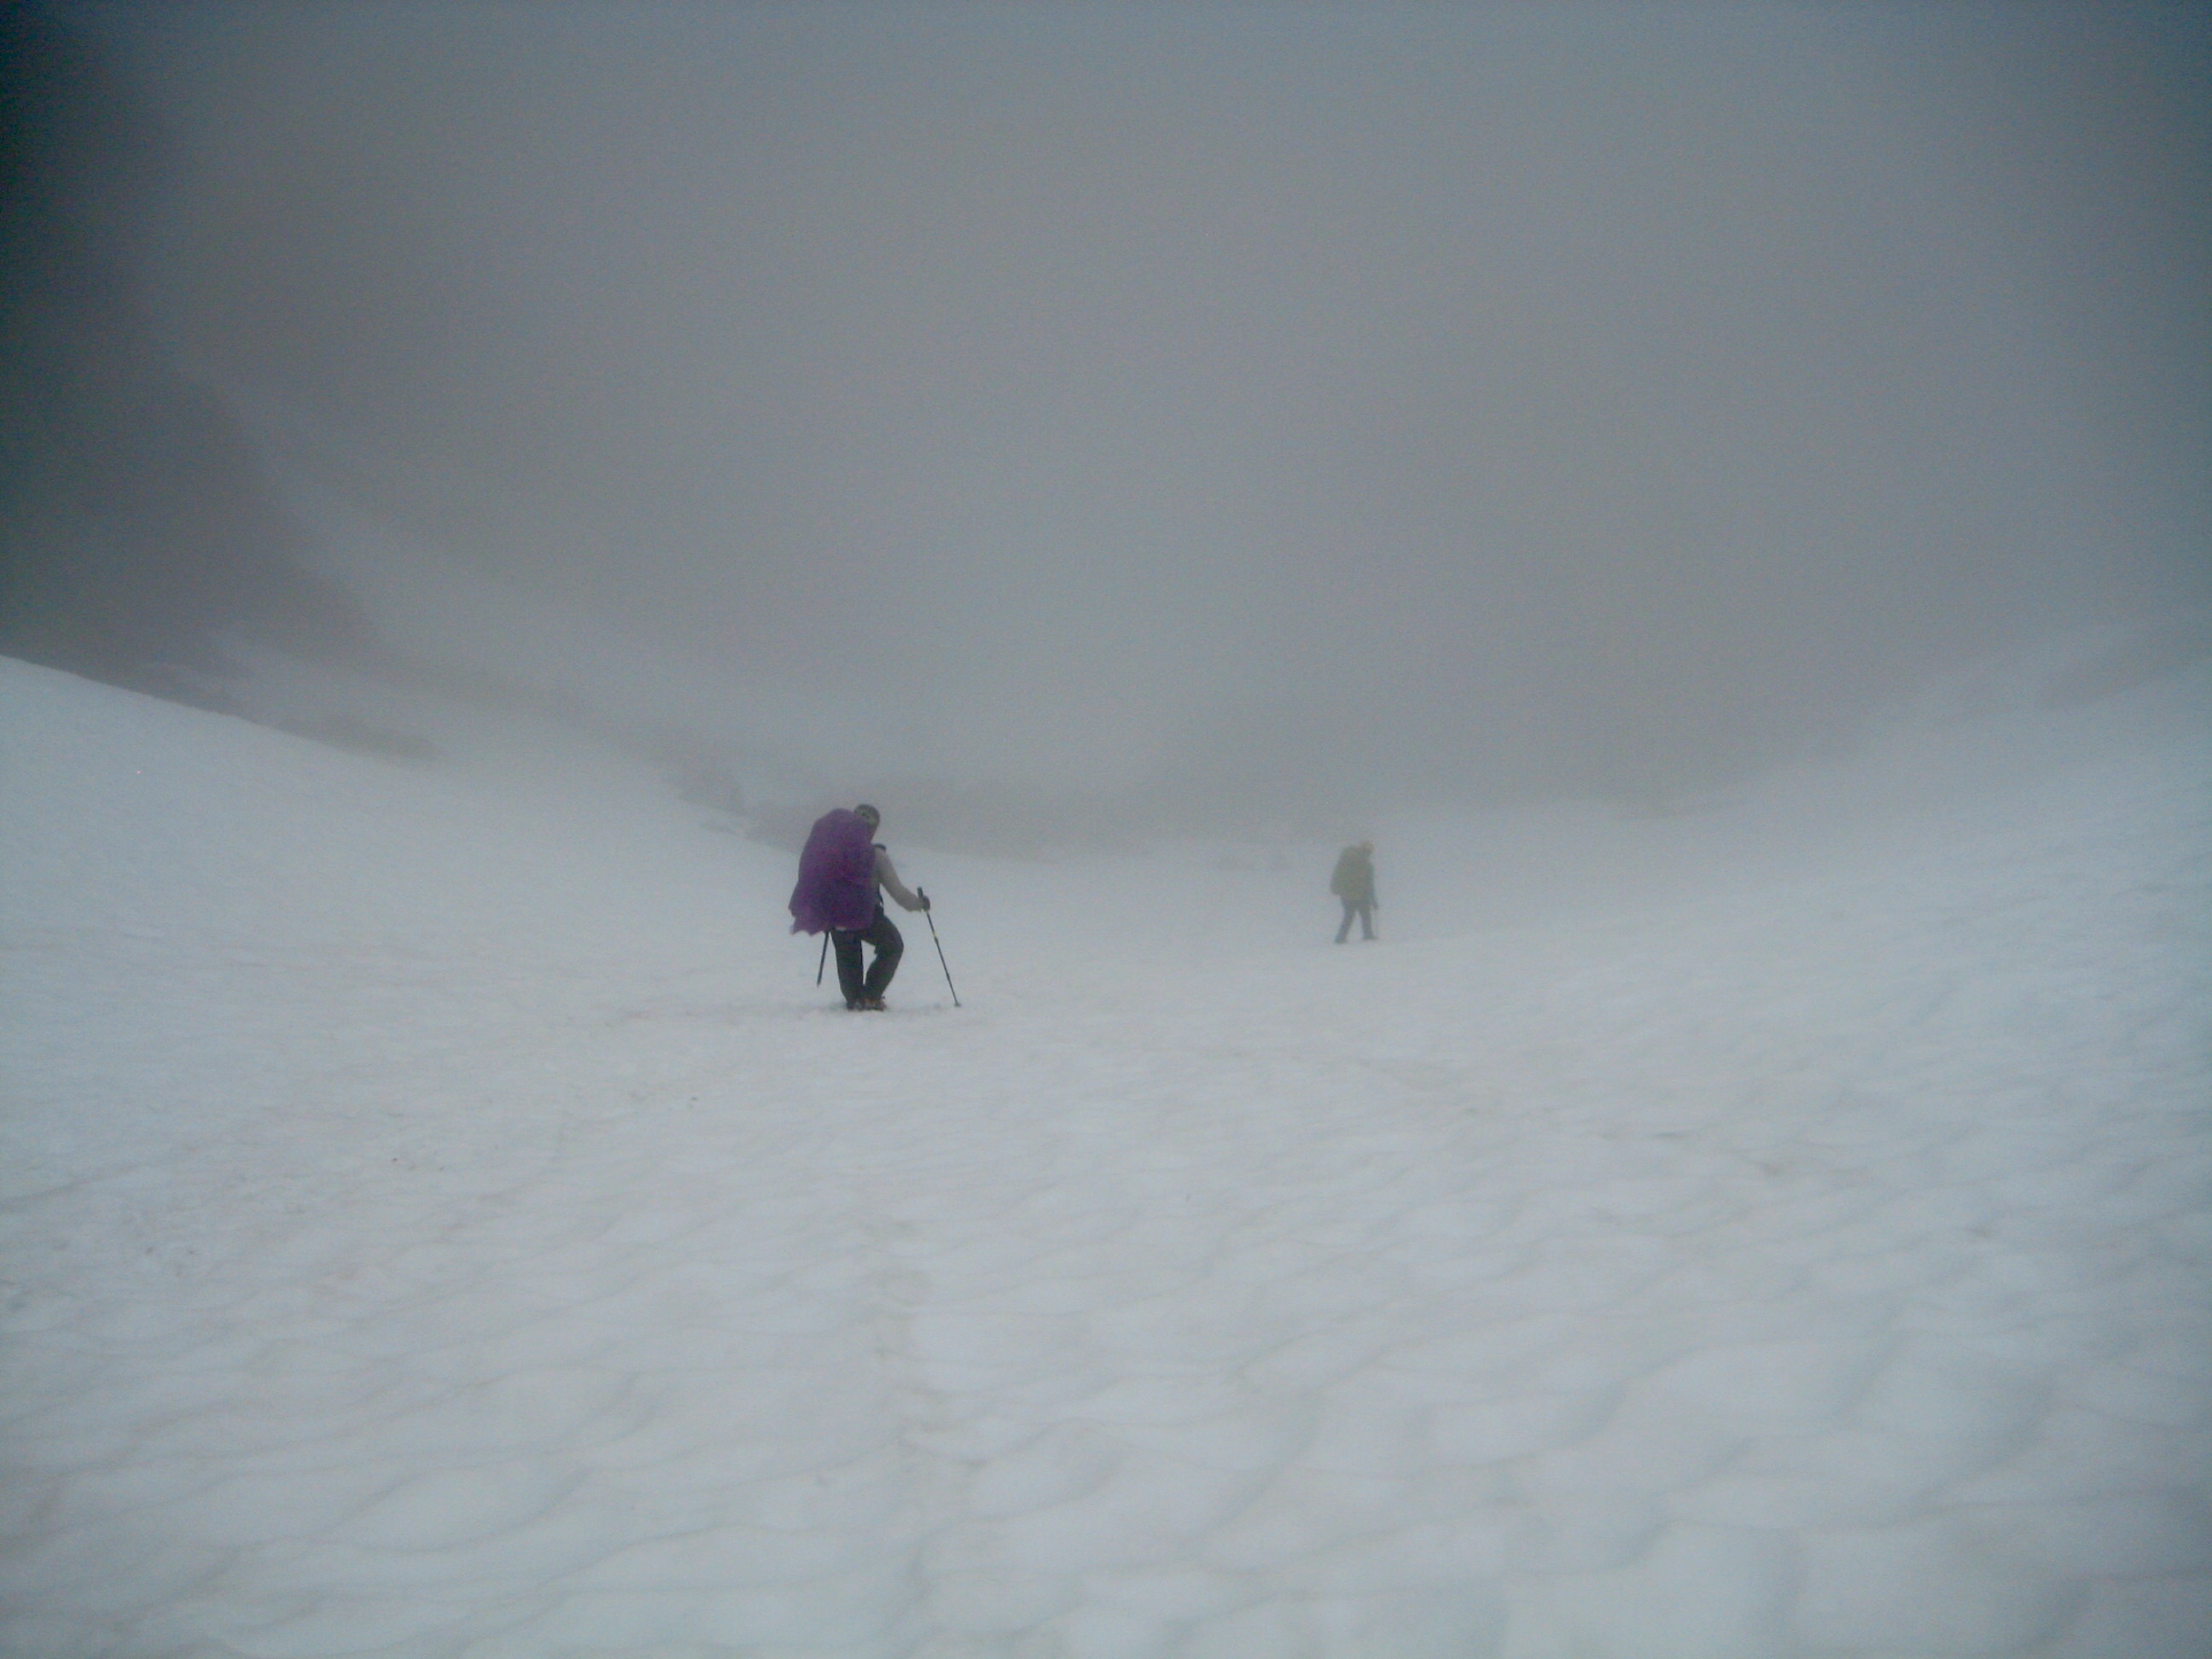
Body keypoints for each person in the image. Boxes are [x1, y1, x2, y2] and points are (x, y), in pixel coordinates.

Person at [830, 804, 929, 1010]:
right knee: (893, 946)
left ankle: (856, 998)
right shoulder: (876, 856)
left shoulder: (832, 852)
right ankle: (870, 996)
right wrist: (919, 904)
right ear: (873, 830)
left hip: (837, 918)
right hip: (867, 916)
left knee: (848, 959)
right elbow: (898, 893)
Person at [1330, 840, 1377, 943]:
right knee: (1365, 915)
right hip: (1361, 893)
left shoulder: (1345, 859)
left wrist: (1335, 888)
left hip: (1346, 893)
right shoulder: (1367, 865)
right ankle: (1368, 935)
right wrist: (1373, 900)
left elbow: (1337, 874)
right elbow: (1369, 884)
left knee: (1348, 916)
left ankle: (1341, 937)